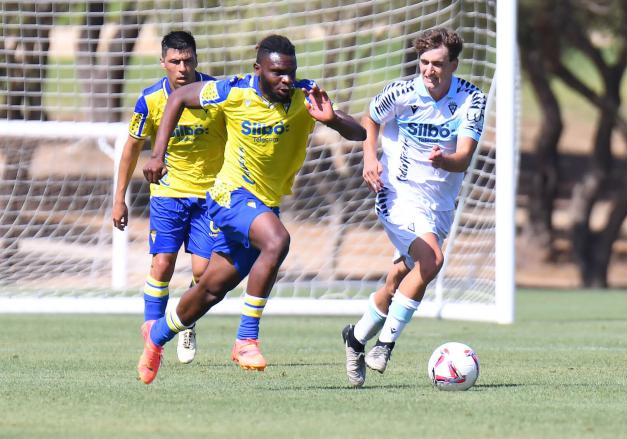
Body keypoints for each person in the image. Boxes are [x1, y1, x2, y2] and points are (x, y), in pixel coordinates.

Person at [137, 34, 366, 384]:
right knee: (277, 241)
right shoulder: (234, 91)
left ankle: (155, 340)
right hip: (230, 195)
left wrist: (331, 119)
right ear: (258, 69)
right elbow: (180, 97)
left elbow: (360, 133)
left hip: (263, 205)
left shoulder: (305, 95)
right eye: (277, 72)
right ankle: (246, 339)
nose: (286, 80)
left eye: (290, 71)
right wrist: (157, 154)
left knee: (210, 291)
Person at [341, 28, 486, 387]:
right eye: (424, 62)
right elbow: (370, 118)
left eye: (437, 64)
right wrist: (370, 158)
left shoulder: (471, 100)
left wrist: (445, 160)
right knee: (432, 260)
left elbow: (464, 158)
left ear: (453, 64)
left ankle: (356, 337)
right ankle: (384, 346)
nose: (429, 70)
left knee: (398, 279)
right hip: (397, 191)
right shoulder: (403, 92)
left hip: (439, 203)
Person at [112, 31, 226, 365]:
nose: (182, 68)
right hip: (168, 193)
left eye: (188, 60)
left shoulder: (216, 95)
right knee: (162, 263)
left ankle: (186, 320)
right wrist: (119, 198)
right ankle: (152, 332)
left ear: (196, 60)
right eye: (175, 61)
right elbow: (131, 148)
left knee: (205, 274)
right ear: (163, 63)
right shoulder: (149, 100)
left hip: (211, 194)